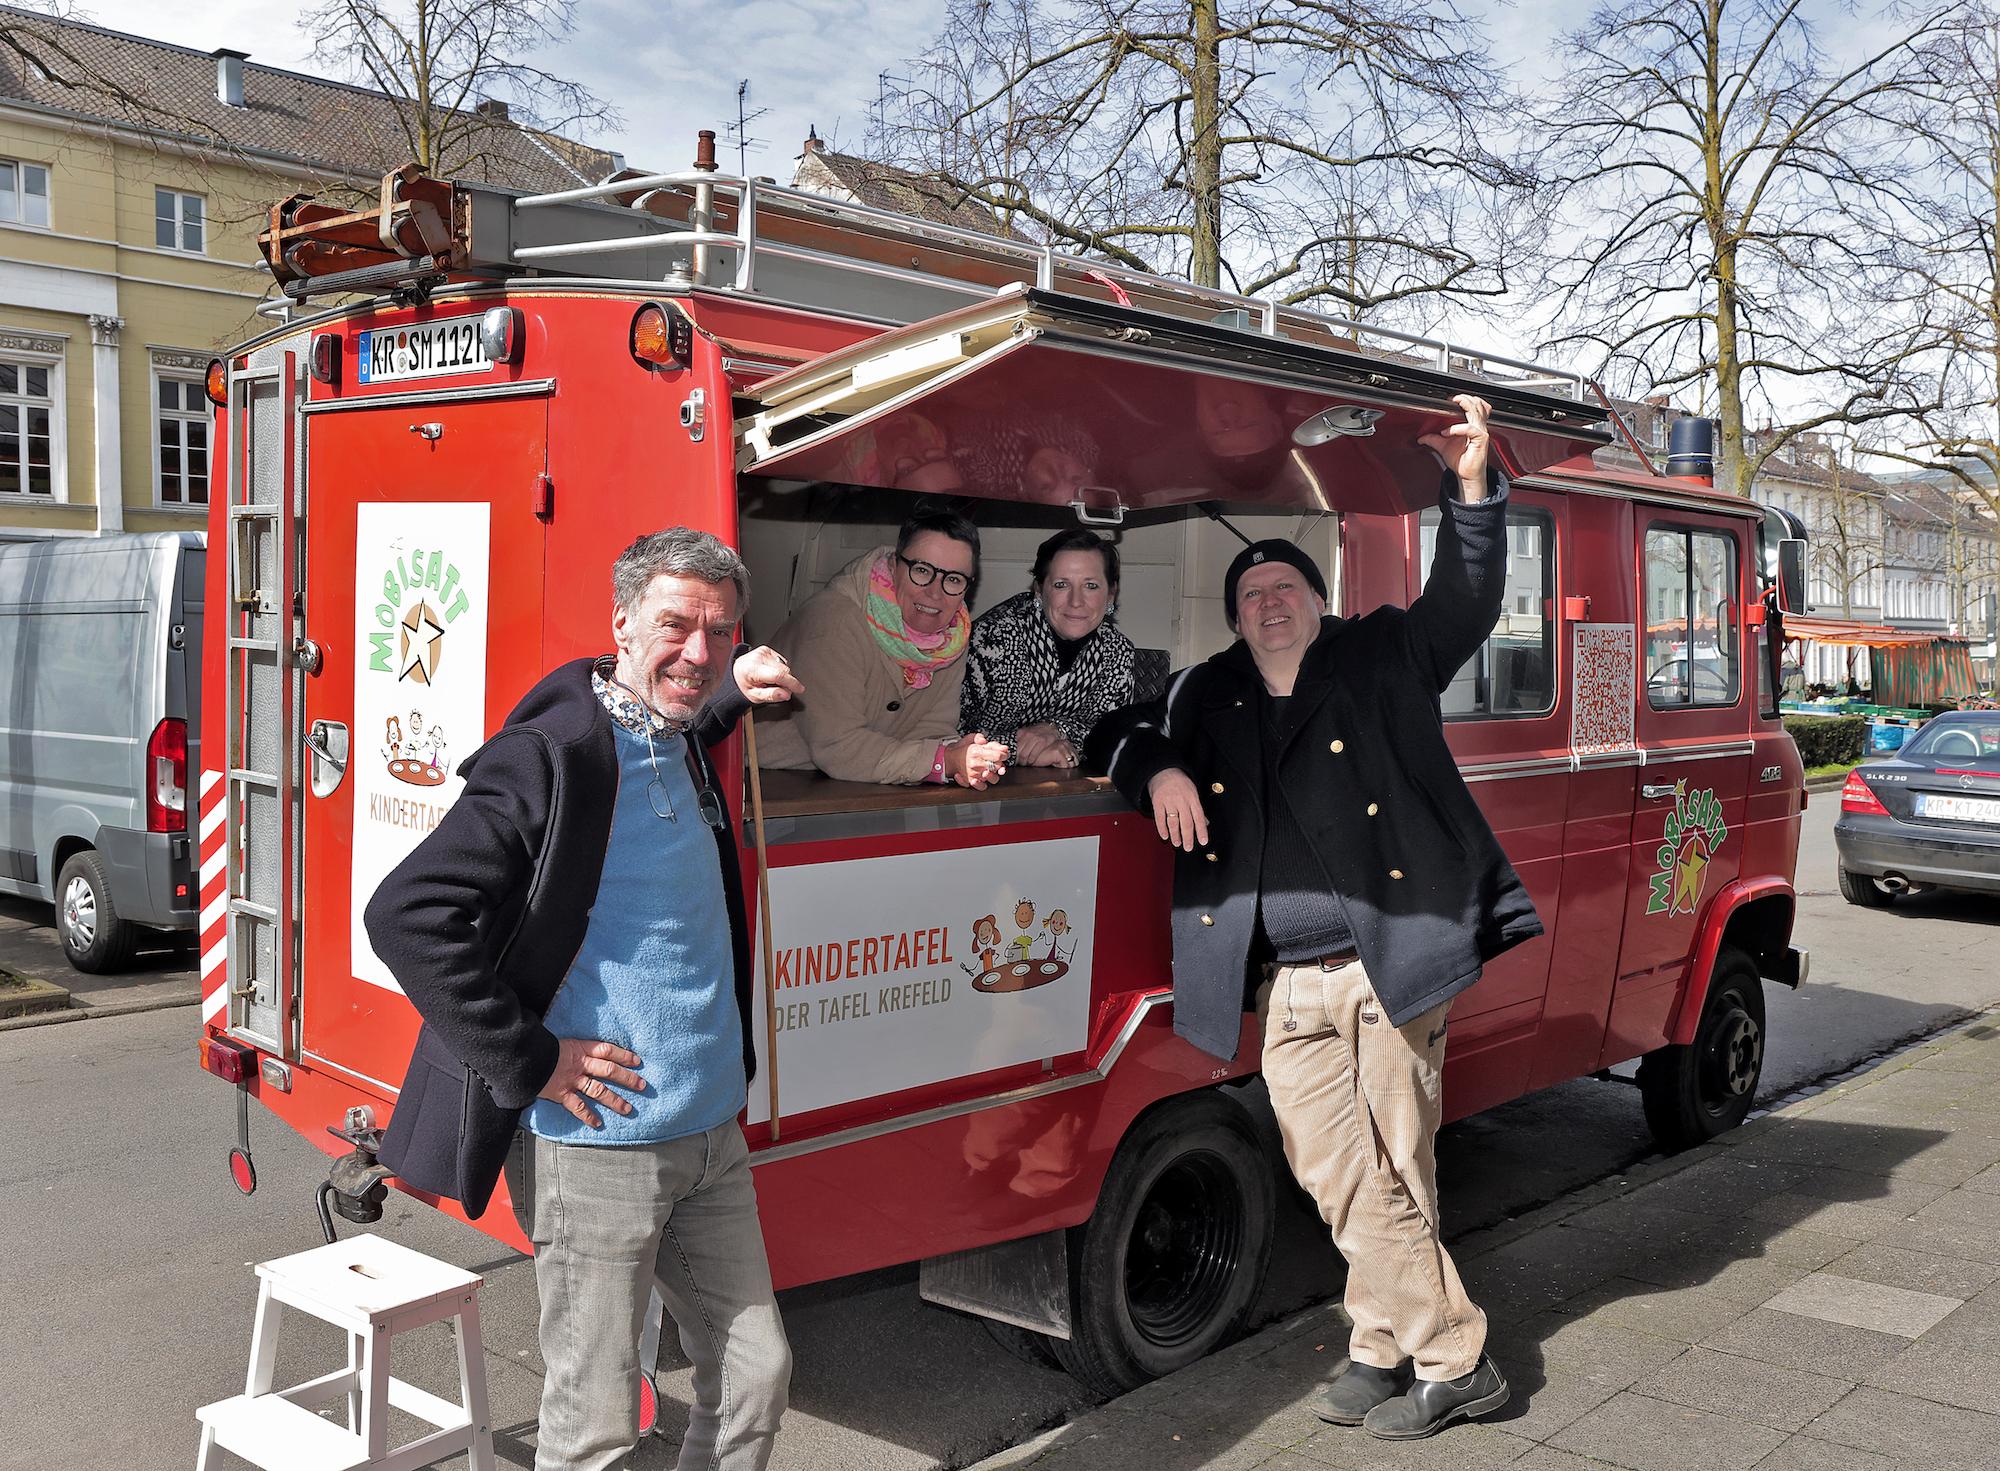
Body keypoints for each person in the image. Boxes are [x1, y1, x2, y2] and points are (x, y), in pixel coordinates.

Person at [1087, 394, 1538, 1441]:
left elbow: (1466, 598)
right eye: (1250, 593)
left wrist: (1467, 487)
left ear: (1316, 599)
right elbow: (1116, 723)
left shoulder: (1381, 654)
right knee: (1332, 1166)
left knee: (1396, 1161)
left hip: (1388, 959)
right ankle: (1426, 1345)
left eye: (1284, 586)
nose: (1267, 603)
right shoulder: (1209, 693)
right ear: (1235, 613)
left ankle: (1404, 1351)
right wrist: (1155, 768)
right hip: (1285, 979)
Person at [364, 527, 805, 1471]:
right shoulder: (552, 754)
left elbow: (678, 706)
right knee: (598, 1423)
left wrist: (732, 690)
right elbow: (406, 914)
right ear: (620, 623)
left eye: (719, 632)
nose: (697, 651)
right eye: (675, 625)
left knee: (758, 1372)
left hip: (709, 1135)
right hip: (597, 1146)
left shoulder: (679, 729)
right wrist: (530, 1058)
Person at [756, 506, 1010, 788]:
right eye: (922, 570)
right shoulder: (832, 621)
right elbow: (840, 747)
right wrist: (943, 761)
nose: (935, 592)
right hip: (771, 788)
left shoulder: (952, 637)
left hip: (866, 781)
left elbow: (932, 731)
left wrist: (962, 755)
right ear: (893, 565)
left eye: (953, 579)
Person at [960, 528, 1136, 768]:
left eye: (1091, 586)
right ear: (1039, 591)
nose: (1076, 601)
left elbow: (1111, 733)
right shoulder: (994, 640)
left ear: (1111, 594)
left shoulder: (1117, 652)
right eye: (1061, 585)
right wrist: (1019, 750)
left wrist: (1055, 729)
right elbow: (954, 736)